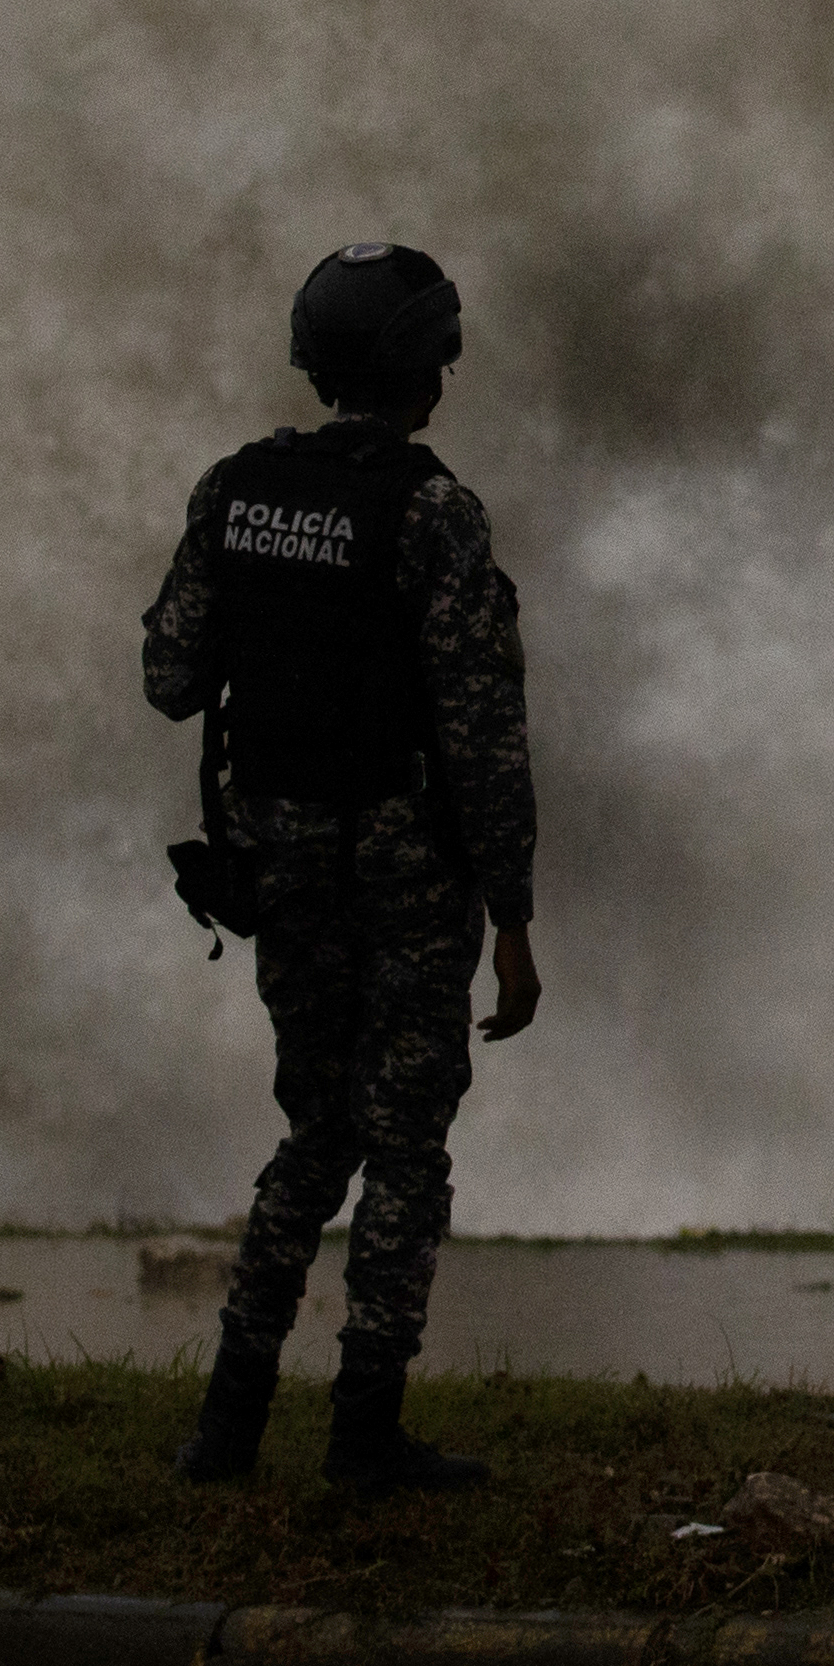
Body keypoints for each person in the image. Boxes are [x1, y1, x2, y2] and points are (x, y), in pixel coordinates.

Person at [145, 241, 542, 1491]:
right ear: (418, 364)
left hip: (280, 860)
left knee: (314, 1129)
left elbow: (169, 677)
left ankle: (226, 1426)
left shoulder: (234, 490)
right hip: (407, 870)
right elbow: (481, 734)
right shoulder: (433, 511)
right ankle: (365, 1432)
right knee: (406, 1142)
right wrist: (514, 916)